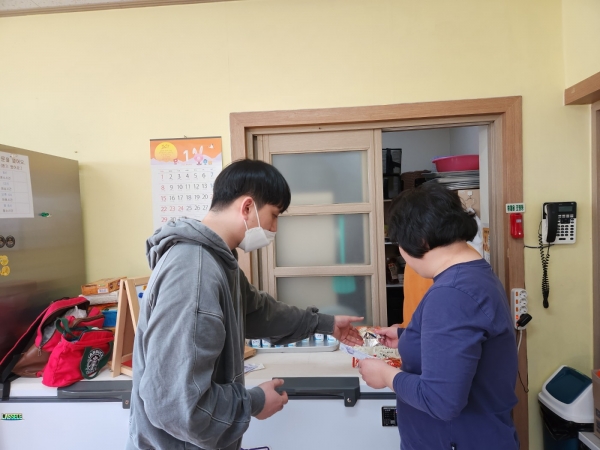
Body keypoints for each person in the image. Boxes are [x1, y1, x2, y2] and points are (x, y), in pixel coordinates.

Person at [127, 159, 364, 450]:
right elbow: (177, 406)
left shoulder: (217, 261)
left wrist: (324, 323)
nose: (274, 228)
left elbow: (258, 313)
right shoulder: (194, 271)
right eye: (274, 215)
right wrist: (253, 402)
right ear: (248, 207)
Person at [358, 182, 518, 450]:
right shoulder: (474, 273)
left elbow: (441, 401)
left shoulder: (451, 294)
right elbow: (462, 343)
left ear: (420, 241)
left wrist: (385, 375)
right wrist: (407, 336)